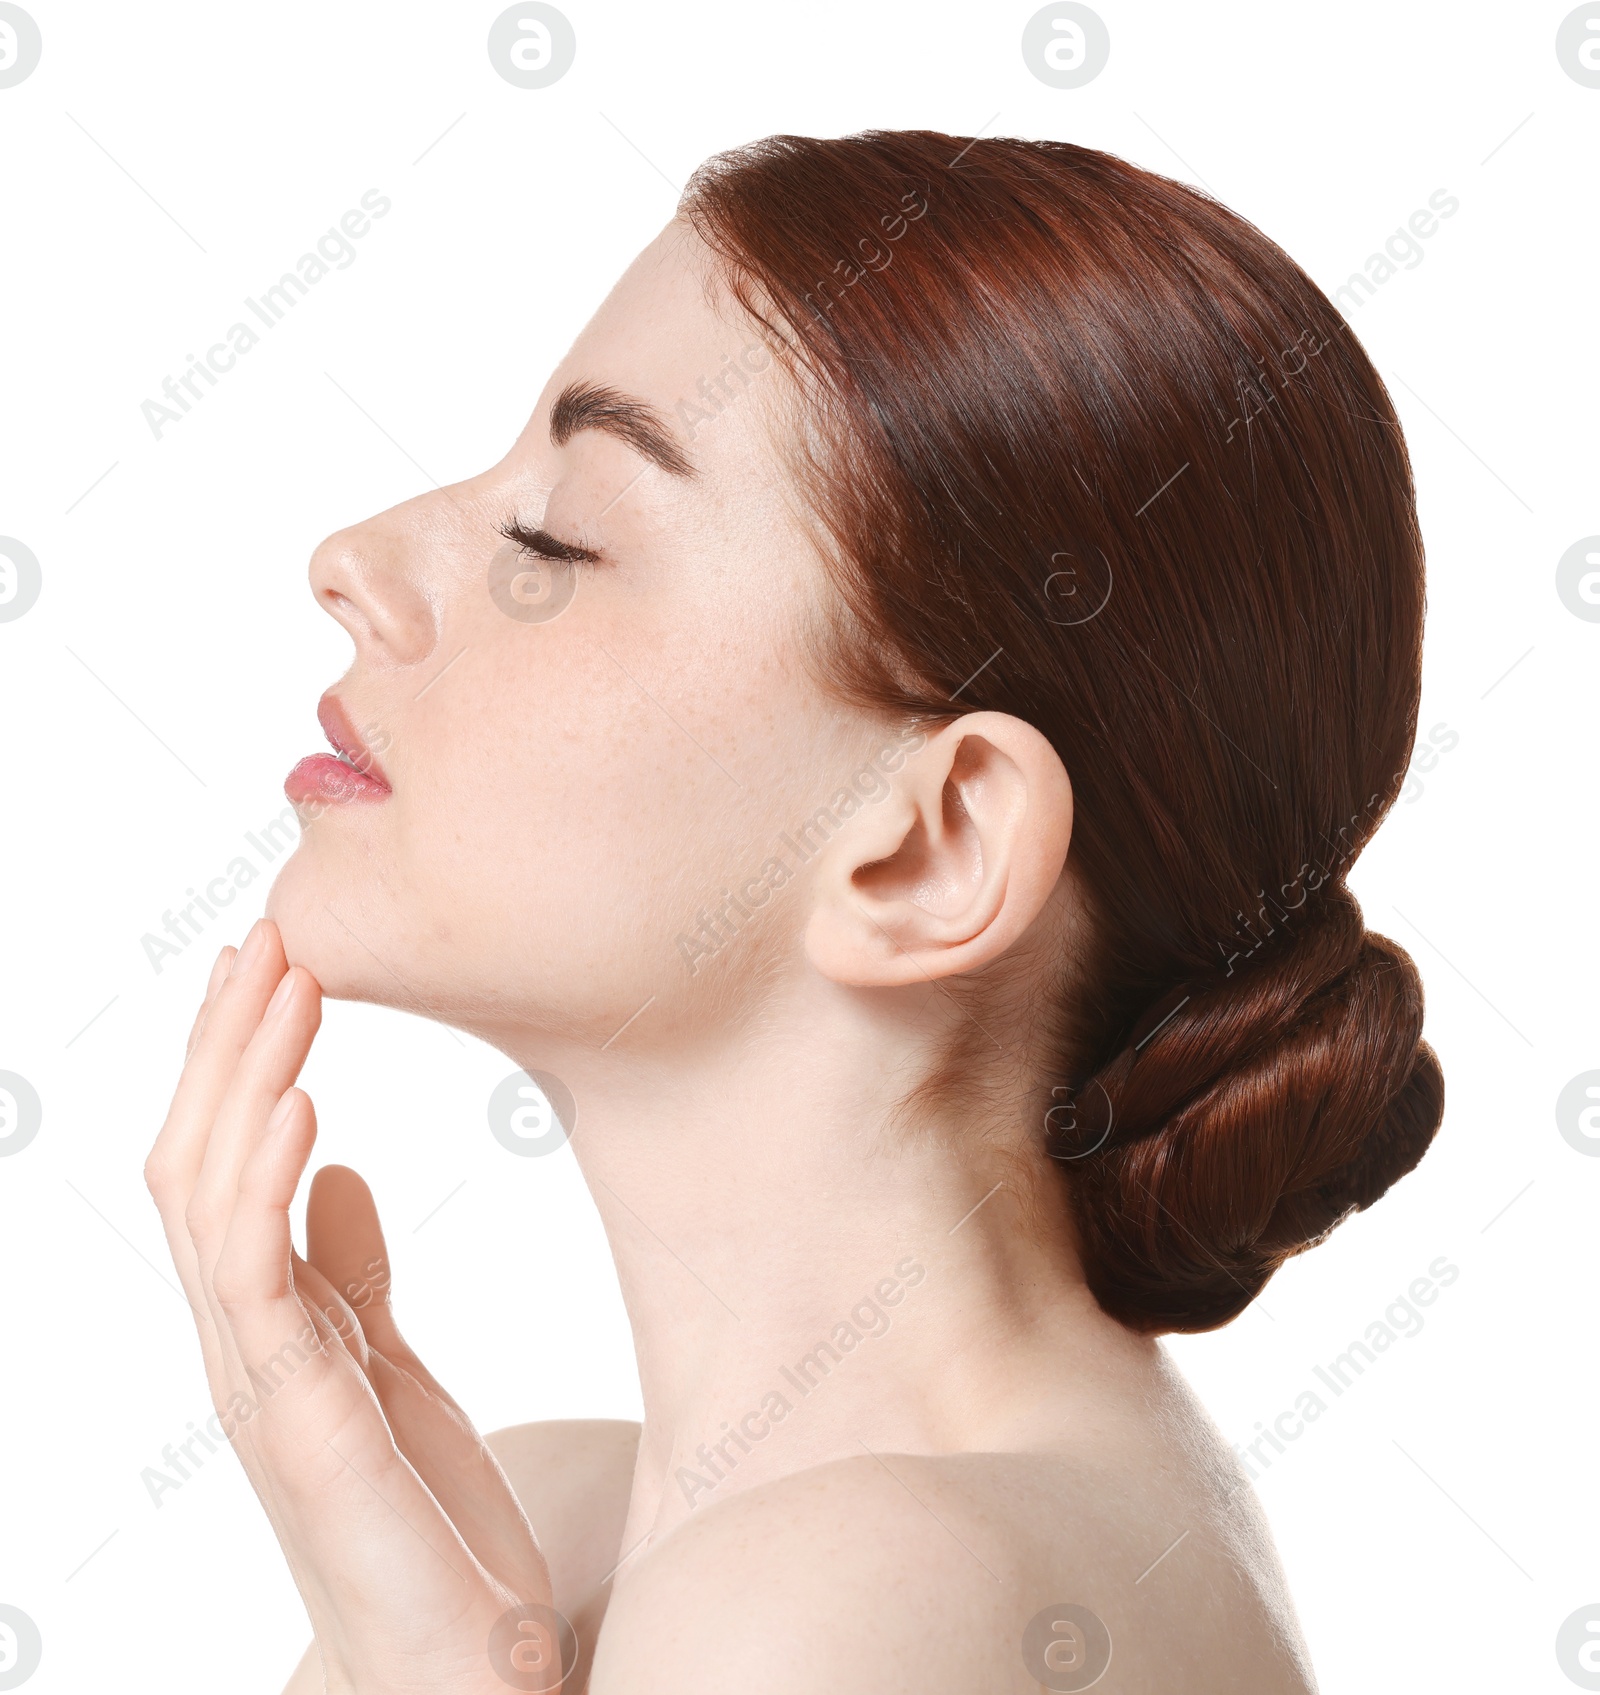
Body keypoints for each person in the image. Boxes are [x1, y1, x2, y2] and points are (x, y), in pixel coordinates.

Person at [144, 130, 1443, 1693]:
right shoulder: (546, 1540)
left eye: (558, 541)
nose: (350, 563)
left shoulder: (852, 1602)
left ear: (931, 847)